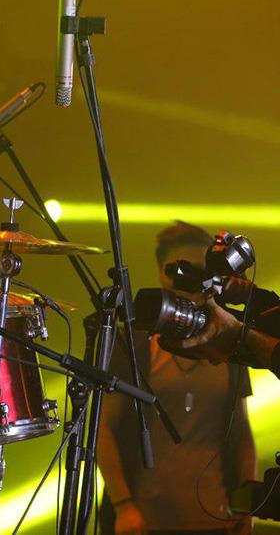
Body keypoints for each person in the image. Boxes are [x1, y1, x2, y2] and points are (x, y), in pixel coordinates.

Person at [97, 222, 256, 535]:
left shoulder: (230, 338)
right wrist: (123, 506)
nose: (187, 278)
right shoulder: (132, 344)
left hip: (215, 518)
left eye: (198, 270)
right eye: (177, 269)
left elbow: (241, 433)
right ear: (160, 273)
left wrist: (245, 504)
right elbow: (105, 429)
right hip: (143, 521)